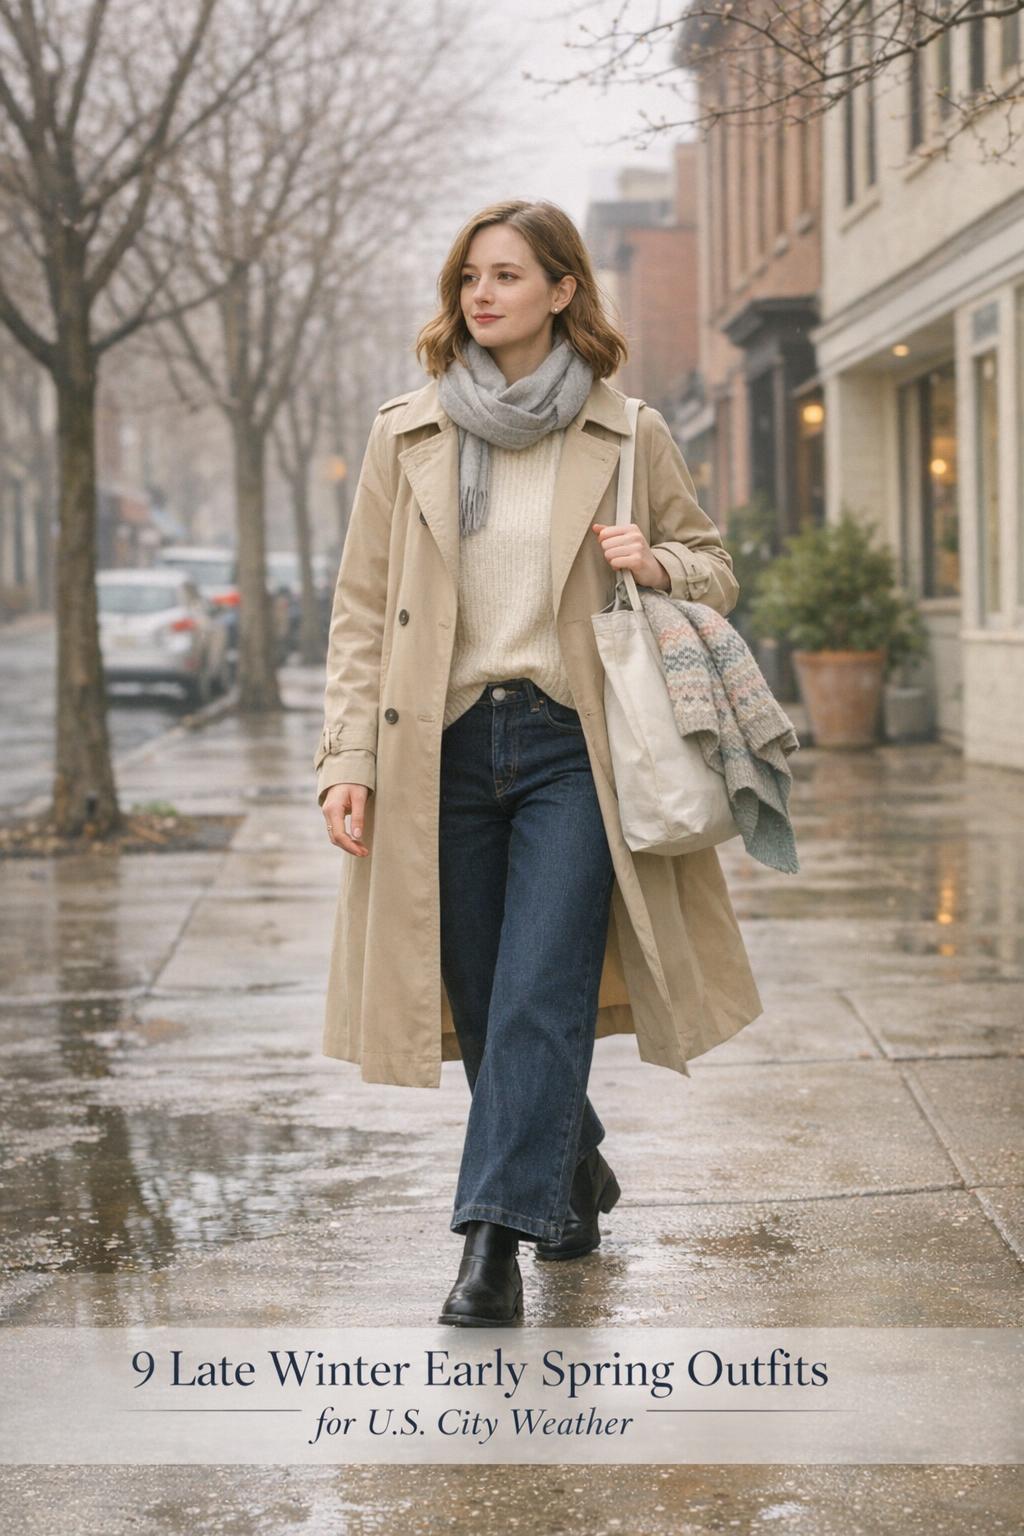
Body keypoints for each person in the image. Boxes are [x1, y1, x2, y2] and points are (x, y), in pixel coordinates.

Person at [317, 198, 752, 1327]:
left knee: (537, 998)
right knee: (475, 994)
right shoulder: (406, 430)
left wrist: (651, 559)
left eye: (507, 274)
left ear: (563, 290)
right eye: (470, 276)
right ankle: (575, 1167)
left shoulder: (625, 431)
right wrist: (344, 759)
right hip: (441, 753)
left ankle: (488, 1245)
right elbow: (362, 611)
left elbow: (714, 569)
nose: (481, 294)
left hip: (572, 748)